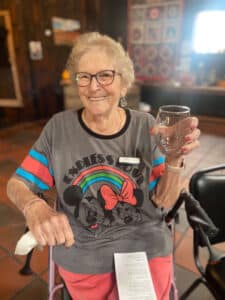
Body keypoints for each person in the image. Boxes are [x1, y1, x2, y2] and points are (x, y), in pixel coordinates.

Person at [7, 32, 200, 300]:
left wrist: (173, 159)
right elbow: (17, 184)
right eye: (84, 76)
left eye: (105, 75)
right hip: (84, 253)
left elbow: (164, 200)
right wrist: (34, 206)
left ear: (123, 82)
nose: (93, 86)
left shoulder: (146, 126)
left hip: (144, 248)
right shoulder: (59, 129)